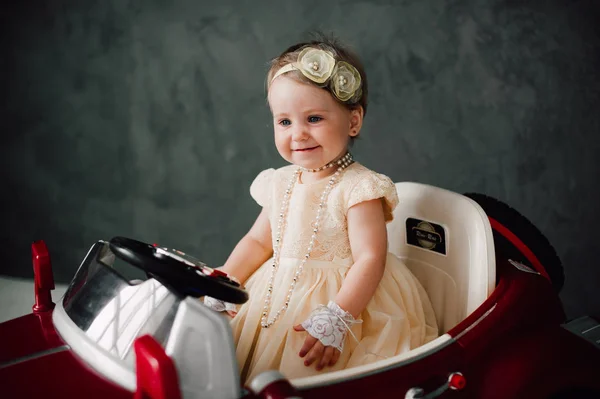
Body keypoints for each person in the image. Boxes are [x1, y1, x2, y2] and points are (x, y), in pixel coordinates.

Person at [204, 36, 438, 384]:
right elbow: (257, 242)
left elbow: (370, 258)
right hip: (277, 296)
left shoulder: (359, 187)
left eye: (313, 118)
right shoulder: (281, 181)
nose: (298, 134)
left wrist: (339, 317)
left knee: (309, 377)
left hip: (343, 299)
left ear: (353, 121)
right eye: (284, 122)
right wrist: (227, 278)